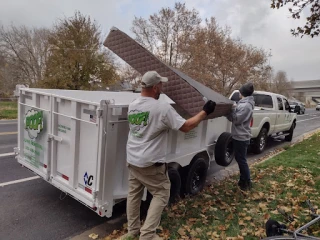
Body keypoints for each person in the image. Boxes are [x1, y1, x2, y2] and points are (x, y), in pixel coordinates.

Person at [120, 71, 216, 240]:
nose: (162, 88)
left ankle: (133, 231)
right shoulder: (162, 108)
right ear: (155, 87)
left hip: (133, 159)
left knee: (134, 194)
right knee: (162, 193)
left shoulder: (133, 104)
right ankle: (148, 235)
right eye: (161, 85)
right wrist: (205, 112)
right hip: (150, 163)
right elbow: (186, 126)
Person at [227, 82, 255, 191]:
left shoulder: (246, 106)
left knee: (241, 160)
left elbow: (236, 120)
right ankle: (243, 181)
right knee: (240, 159)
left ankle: (246, 182)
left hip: (241, 137)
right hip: (240, 135)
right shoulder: (243, 104)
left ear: (241, 92)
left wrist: (229, 111)